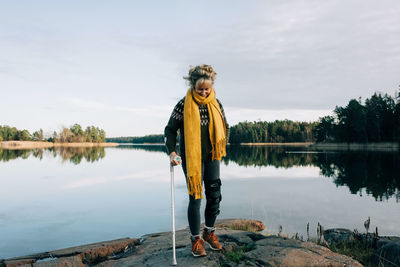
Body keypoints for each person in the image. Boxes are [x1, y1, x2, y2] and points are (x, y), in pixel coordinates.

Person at [164, 64, 229, 257]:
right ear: (193, 85)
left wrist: (221, 144)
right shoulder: (183, 105)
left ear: (211, 86)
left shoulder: (216, 103)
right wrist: (173, 153)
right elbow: (169, 130)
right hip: (192, 159)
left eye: (206, 89)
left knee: (214, 196)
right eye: (199, 89)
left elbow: (225, 126)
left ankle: (209, 232)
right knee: (196, 198)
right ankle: (195, 239)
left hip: (212, 157)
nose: (203, 92)